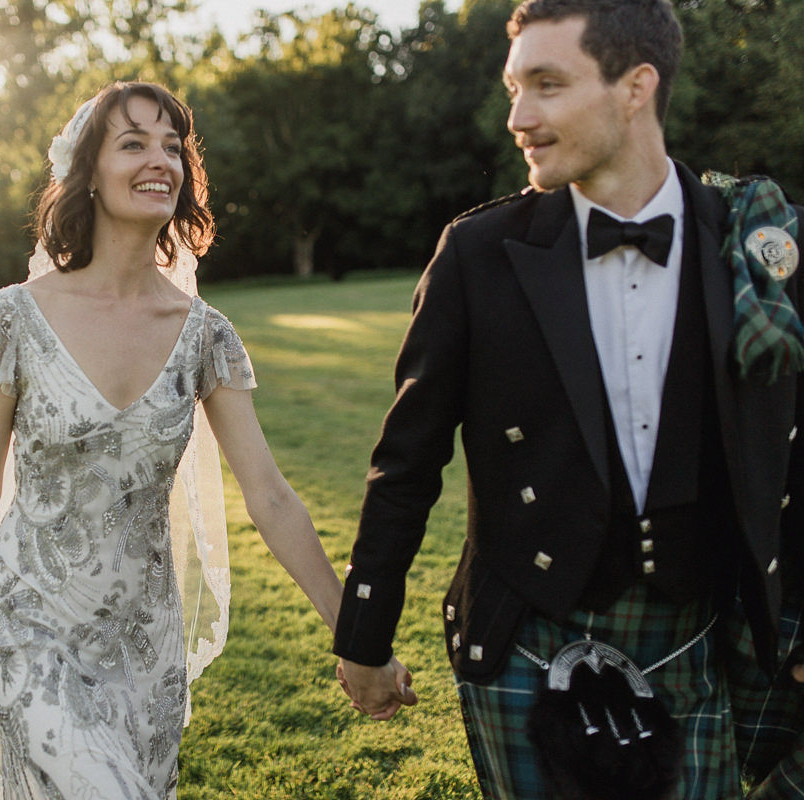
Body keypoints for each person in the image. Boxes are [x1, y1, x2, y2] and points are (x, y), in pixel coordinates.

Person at [332, 1, 804, 798]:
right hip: (527, 632)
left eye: (547, 85)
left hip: (696, 632)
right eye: (515, 88)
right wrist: (365, 635)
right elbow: (407, 460)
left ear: (635, 86)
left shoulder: (750, 237)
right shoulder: (478, 254)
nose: (518, 116)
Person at [0, 81, 343, 799]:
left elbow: (272, 496)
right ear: (88, 174)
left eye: (172, 146)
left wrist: (350, 629)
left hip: (143, 646)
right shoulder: (13, 319)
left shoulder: (206, 336)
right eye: (133, 143)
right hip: (32, 624)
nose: (159, 160)